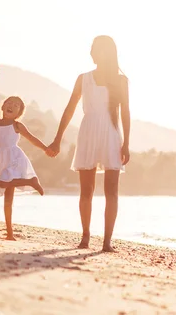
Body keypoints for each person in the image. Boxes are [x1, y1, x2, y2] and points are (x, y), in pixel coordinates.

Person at [47, 35, 130, 252]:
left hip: (111, 133)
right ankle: (85, 237)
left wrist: (126, 143)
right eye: (93, 49)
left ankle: (107, 242)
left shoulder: (121, 81)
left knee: (112, 190)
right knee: (87, 190)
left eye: (97, 49)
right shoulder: (83, 78)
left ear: (108, 53)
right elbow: (70, 109)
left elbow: (126, 113)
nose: (93, 52)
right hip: (88, 131)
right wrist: (57, 138)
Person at [0, 66, 46, 240]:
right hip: (0, 158)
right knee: (7, 198)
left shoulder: (17, 125)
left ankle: (30, 181)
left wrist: (47, 149)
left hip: (14, 159)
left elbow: (32, 139)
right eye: (9, 103)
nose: (12, 105)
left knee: (3, 183)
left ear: (19, 113)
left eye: (16, 106)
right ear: (3, 106)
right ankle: (9, 232)